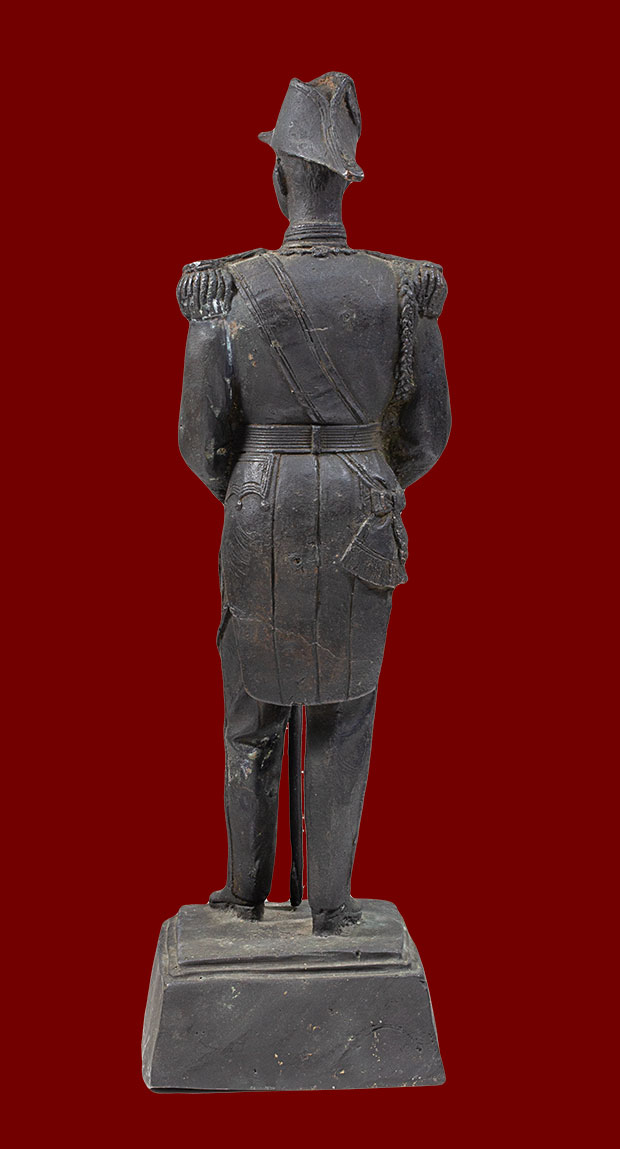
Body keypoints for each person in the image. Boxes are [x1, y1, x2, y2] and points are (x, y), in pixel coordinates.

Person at [176, 72, 450, 934]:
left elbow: (199, 439)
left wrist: (255, 492)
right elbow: (429, 434)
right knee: (343, 713)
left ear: (280, 177)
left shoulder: (227, 287)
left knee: (251, 718)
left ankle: (243, 899)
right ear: (344, 179)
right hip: (362, 507)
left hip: (261, 507)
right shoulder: (404, 289)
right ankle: (332, 907)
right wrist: (366, 481)